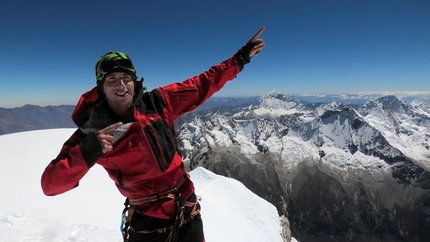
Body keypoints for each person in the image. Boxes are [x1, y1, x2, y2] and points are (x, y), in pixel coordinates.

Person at [41, 26, 265, 242]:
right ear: (101, 88)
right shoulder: (93, 131)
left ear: (134, 81)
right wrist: (88, 150)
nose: (121, 85)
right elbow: (51, 184)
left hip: (186, 208)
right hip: (148, 222)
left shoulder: (158, 103)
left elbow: (202, 84)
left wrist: (240, 58)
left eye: (126, 77)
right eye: (112, 79)